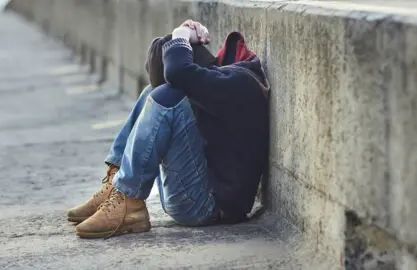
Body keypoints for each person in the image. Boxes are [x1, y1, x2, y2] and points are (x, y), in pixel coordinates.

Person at [66, 20, 270, 238]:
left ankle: (129, 202)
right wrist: (177, 38)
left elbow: (177, 73)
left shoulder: (238, 82)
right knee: (151, 94)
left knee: (166, 96)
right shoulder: (214, 76)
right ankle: (117, 186)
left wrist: (181, 35)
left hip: (207, 207)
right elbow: (168, 74)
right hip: (190, 192)